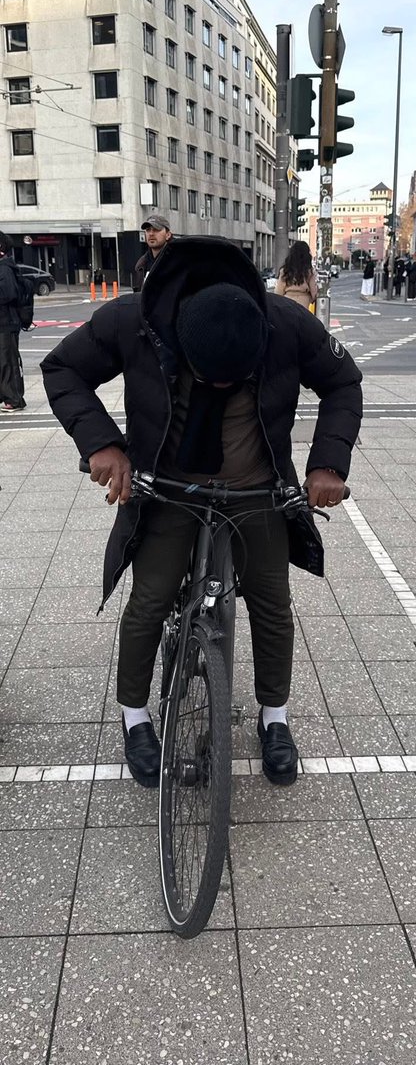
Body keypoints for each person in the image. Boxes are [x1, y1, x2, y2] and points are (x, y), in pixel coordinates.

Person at [41, 237, 363, 789]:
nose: (219, 387)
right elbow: (62, 369)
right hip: (168, 485)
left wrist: (327, 464)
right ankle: (136, 717)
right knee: (150, 599)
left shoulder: (285, 322)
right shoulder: (134, 319)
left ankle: (275, 718)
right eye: (207, 376)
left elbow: (343, 381)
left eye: (233, 379)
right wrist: (101, 444)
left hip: (257, 488)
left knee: (272, 602)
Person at [0, 232, 33, 412]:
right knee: (4, 361)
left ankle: (14, 399)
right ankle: (8, 396)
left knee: (8, 361)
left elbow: (9, 293)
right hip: (4, 323)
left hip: (6, 323)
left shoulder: (4, 268)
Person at [133, 214, 173, 292]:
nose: (151, 233)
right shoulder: (141, 265)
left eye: (156, 229)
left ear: (168, 235)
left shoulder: (177, 260)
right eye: (148, 230)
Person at [275, 240, 318, 310]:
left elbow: (278, 292)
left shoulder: (285, 271)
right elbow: (314, 293)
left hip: (287, 303)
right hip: (303, 304)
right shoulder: (309, 272)